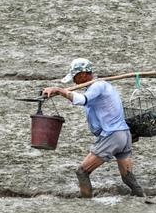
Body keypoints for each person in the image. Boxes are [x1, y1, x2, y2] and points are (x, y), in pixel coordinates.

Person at [42, 58, 145, 198]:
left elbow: (82, 100)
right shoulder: (101, 86)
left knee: (82, 172)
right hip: (124, 135)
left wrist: (60, 91)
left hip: (113, 135)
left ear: (83, 74)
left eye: (75, 77)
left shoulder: (98, 86)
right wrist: (59, 92)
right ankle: (141, 197)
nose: (74, 81)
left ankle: (86, 204)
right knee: (127, 177)